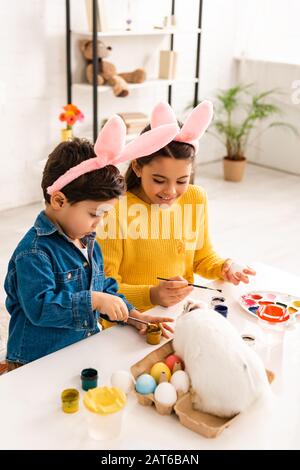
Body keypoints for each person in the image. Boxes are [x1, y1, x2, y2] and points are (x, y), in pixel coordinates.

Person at [4, 114, 179, 370]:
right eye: (94, 214)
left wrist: (133, 315)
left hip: (79, 347)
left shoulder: (86, 239)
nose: (99, 223)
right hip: (36, 361)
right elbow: (40, 307)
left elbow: (102, 285)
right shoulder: (33, 253)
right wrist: (93, 300)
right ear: (59, 201)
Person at [98, 101, 256, 313]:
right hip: (132, 319)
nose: (171, 191)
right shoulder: (115, 210)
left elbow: (202, 257)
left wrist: (224, 267)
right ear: (137, 167)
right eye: (159, 180)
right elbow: (103, 288)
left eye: (182, 180)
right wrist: (152, 295)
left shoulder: (195, 198)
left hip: (178, 312)